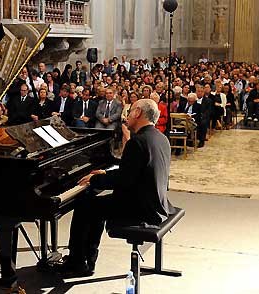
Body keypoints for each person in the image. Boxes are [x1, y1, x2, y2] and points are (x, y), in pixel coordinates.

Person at [57, 99, 175, 277]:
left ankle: (78, 263)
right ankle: (87, 259)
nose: (126, 115)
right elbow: (134, 171)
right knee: (93, 205)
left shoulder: (138, 142)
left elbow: (124, 179)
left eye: (131, 110)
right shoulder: (160, 137)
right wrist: (104, 174)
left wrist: (95, 179)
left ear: (137, 113)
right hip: (154, 201)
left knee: (84, 206)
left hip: (141, 209)